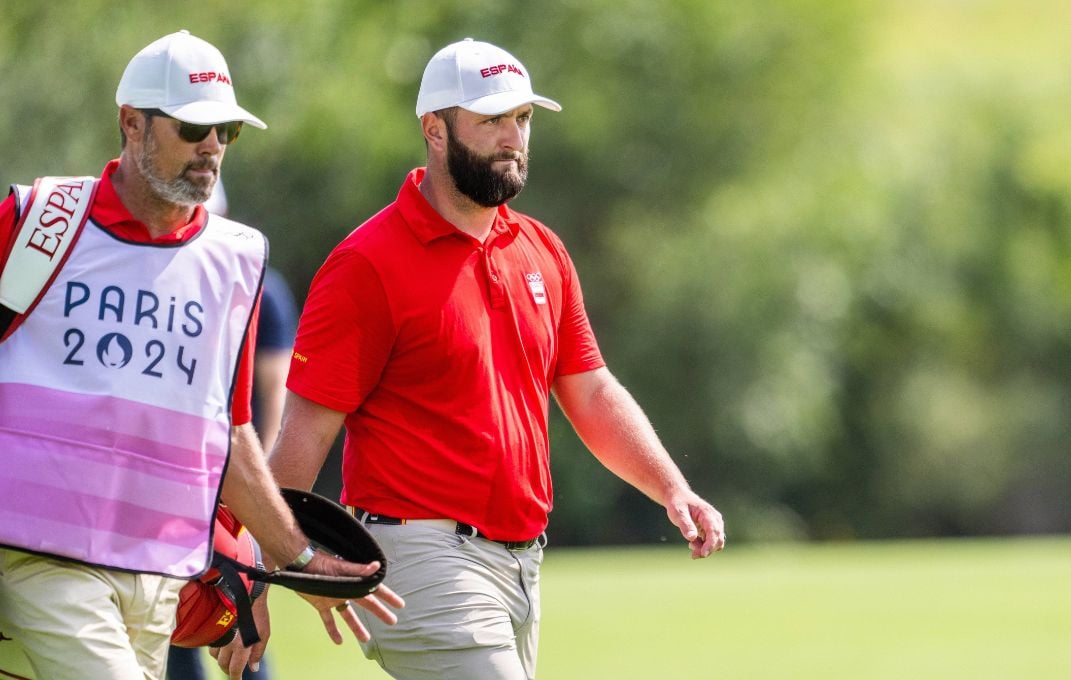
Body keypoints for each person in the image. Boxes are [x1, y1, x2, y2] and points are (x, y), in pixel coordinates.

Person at [267, 38, 726, 679]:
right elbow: (305, 431)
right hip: (420, 559)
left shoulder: (541, 248)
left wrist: (671, 486)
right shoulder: (366, 265)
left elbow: (590, 391)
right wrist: (266, 568)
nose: (514, 136)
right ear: (434, 129)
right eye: (491, 120)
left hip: (521, 565)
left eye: (523, 119)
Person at [0, 30, 402, 680]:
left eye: (227, 132)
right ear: (131, 124)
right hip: (40, 560)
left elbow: (230, 434)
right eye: (193, 127)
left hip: (158, 572)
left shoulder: (235, 259)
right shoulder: (40, 220)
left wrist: (290, 560)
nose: (212, 145)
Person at [166, 180, 297, 680]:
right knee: (173, 636)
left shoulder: (263, 288)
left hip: (228, 490)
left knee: (235, 618)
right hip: (167, 490)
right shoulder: (157, 280)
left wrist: (257, 493)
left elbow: (276, 392)